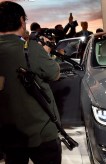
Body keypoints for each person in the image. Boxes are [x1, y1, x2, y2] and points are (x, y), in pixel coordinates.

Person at [0, 1, 62, 164]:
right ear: (21, 20)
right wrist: (46, 53)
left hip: (9, 135)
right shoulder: (31, 49)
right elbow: (55, 73)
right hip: (41, 134)